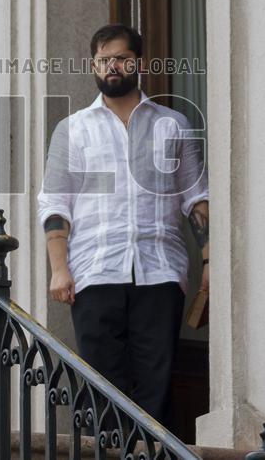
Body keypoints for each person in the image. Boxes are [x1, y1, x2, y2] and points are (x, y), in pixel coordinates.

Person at [37, 23, 209, 427]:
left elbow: (195, 197)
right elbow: (55, 201)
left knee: (157, 386)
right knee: (102, 388)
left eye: (121, 58)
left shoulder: (174, 124)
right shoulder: (74, 128)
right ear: (92, 65)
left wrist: (209, 262)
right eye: (104, 59)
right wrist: (59, 268)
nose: (112, 66)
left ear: (139, 63)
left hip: (160, 270)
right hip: (94, 272)